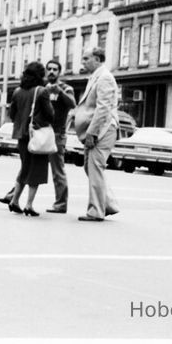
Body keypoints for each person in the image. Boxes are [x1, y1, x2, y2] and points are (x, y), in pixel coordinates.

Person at [0, 59, 76, 213]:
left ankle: (59, 202)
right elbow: (48, 113)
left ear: (60, 72)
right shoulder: (41, 89)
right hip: (39, 133)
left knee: (53, 170)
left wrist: (60, 92)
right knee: (34, 168)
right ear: (44, 72)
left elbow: (73, 104)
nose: (51, 72)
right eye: (49, 69)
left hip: (53, 134)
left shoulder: (66, 88)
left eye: (55, 69)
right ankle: (21, 201)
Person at [73, 47, 120, 222]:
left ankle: (96, 210)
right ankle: (107, 204)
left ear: (98, 59)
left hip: (103, 130)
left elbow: (103, 108)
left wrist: (92, 133)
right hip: (97, 131)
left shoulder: (105, 77)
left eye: (86, 59)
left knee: (95, 168)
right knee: (90, 167)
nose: (83, 62)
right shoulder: (96, 77)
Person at [7, 61, 55, 217]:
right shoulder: (42, 91)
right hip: (36, 135)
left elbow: (12, 114)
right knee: (37, 170)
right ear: (40, 75)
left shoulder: (17, 91)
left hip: (21, 135)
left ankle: (14, 201)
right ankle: (29, 205)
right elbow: (50, 114)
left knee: (25, 167)